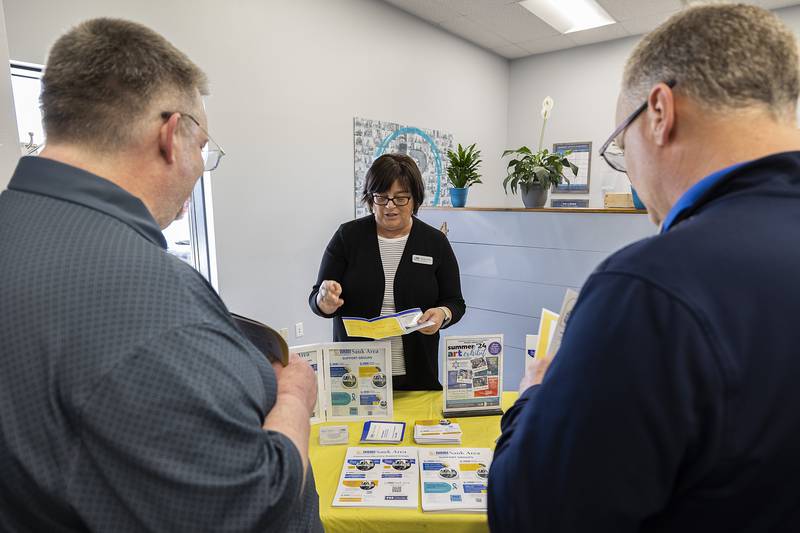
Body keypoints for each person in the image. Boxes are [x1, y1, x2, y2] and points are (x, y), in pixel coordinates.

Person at [0, 18, 322, 532]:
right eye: (203, 149)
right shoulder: (153, 307)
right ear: (172, 136)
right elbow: (260, 505)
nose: (200, 166)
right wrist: (294, 398)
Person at [489, 4, 800, 532]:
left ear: (659, 112)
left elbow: (530, 516)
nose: (629, 173)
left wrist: (535, 395)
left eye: (619, 148)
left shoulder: (649, 287)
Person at [310, 153, 465, 390]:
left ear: (415, 200)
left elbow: (455, 302)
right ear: (371, 199)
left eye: (401, 198)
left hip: (415, 373)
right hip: (355, 374)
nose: (390, 206)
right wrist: (325, 302)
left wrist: (442, 314)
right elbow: (316, 298)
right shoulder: (347, 237)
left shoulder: (434, 243)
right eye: (382, 197)